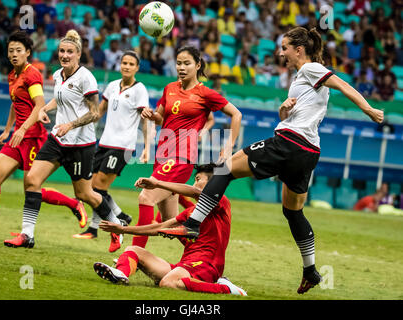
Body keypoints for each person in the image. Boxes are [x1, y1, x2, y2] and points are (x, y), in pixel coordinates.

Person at [160, 27, 384, 294]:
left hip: (288, 143)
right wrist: (284, 109)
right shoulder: (304, 77)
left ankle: (193, 224)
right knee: (292, 211)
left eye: (285, 47)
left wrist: (368, 109)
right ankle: (310, 270)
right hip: (308, 151)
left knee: (224, 169)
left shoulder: (311, 68)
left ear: (298, 50)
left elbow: (343, 85)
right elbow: (295, 115)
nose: (281, 53)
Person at [0, 31, 87, 242]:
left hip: (33, 138)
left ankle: (74, 204)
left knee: (31, 187)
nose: (14, 54)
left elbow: (39, 105)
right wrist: (8, 129)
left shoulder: (32, 75)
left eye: (18, 50)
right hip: (17, 138)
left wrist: (22, 130)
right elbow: (16, 103)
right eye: (10, 51)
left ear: (27, 52)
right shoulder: (13, 75)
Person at [3, 30, 122, 248]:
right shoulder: (58, 75)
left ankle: (115, 226)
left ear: (78, 55)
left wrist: (71, 124)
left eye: (70, 52)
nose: (65, 55)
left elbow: (95, 113)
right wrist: (43, 109)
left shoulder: (86, 78)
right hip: (58, 139)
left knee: (85, 193)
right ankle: (26, 235)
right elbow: (58, 99)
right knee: (32, 180)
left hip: (80, 145)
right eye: (61, 51)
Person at [134, 45, 242, 249]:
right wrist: (151, 115)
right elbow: (160, 118)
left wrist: (228, 147)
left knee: (146, 196)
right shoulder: (170, 88)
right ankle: (204, 254)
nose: (181, 68)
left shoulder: (205, 93)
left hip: (181, 157)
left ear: (198, 65)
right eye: (178, 63)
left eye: (187, 63)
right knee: (171, 223)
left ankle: (128, 260)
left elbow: (236, 114)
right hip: (162, 156)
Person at [94, 164, 247, 296]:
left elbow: (195, 192)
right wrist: (122, 229)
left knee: (168, 283)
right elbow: (160, 227)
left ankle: (225, 288)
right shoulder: (191, 211)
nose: (195, 183)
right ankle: (121, 274)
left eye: (198, 179)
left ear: (212, 183)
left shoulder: (221, 201)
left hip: (206, 266)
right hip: (186, 265)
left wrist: (158, 183)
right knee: (133, 250)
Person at [73, 51, 150, 251]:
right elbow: (98, 112)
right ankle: (110, 221)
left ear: (137, 68)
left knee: (97, 188)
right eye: (124, 62)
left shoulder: (139, 90)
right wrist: (78, 126)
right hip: (104, 143)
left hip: (123, 146)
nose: (126, 66)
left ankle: (110, 221)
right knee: (91, 188)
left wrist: (147, 148)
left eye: (131, 63)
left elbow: (145, 121)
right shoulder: (112, 85)